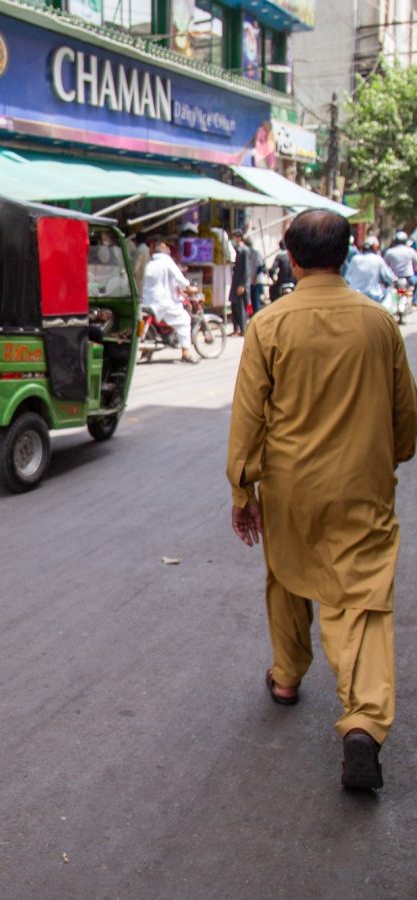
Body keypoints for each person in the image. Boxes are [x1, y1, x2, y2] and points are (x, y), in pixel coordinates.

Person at [227, 209, 417, 791]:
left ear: (291, 255)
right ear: (347, 251)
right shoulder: (379, 323)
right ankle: (362, 719)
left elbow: (249, 416)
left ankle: (286, 676)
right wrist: (395, 453)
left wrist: (244, 488)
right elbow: (405, 416)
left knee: (286, 574)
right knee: (360, 598)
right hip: (362, 485)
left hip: (289, 487)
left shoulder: (269, 324)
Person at [140, 239, 199, 363]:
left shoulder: (150, 264)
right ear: (164, 250)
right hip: (162, 302)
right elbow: (180, 279)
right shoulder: (167, 262)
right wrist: (189, 287)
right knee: (184, 320)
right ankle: (186, 353)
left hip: (147, 300)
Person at [344, 235, 395, 302]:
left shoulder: (355, 259)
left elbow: (347, 277)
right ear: (374, 248)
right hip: (373, 296)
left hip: (355, 294)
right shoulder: (378, 259)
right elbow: (388, 277)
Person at [227, 229, 257, 335]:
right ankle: (236, 328)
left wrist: (243, 285)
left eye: (234, 237)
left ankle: (243, 329)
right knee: (234, 305)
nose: (233, 240)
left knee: (240, 306)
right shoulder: (238, 249)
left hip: (241, 283)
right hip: (236, 281)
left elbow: (247, 269)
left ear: (239, 237)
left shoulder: (245, 251)